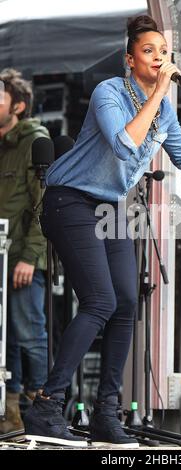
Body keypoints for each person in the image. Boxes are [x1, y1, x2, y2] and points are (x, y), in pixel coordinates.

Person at [23, 15, 181, 448]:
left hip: (111, 205)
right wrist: (158, 93)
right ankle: (46, 405)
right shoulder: (110, 92)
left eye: (164, 52)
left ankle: (106, 415)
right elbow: (124, 143)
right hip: (69, 199)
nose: (159, 58)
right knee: (99, 300)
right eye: (149, 52)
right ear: (129, 59)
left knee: (125, 306)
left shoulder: (165, 111)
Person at [0, 69, 48, 434]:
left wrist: (30, 258)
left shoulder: (34, 140)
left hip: (21, 258)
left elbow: (44, 204)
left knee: (29, 333)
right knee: (6, 337)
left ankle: (45, 410)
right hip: (2, 257)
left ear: (17, 105)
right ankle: (10, 412)